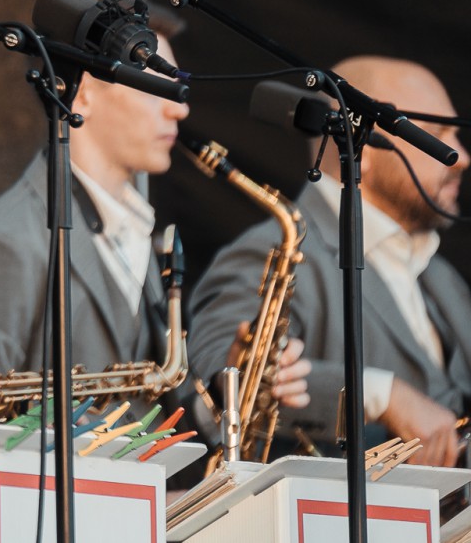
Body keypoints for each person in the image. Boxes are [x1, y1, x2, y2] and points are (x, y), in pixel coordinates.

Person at [0, 7, 310, 416]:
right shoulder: (5, 242)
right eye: (155, 88)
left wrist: (229, 380)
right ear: (83, 94)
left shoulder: (132, 227)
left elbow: (153, 406)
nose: (180, 109)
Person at [189, 56, 471, 466]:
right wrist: (378, 393)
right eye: (437, 135)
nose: (462, 157)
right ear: (359, 146)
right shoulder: (272, 250)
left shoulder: (441, 275)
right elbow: (217, 384)